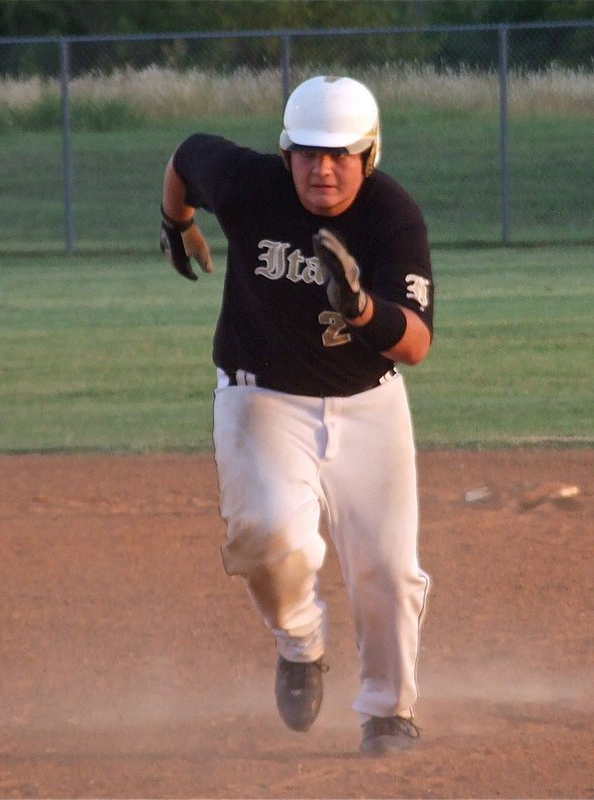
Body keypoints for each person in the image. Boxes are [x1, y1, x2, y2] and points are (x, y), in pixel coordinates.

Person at [159, 75, 434, 757]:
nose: (324, 167)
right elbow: (187, 156)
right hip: (262, 398)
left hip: (368, 404)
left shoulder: (391, 216)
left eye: (342, 154)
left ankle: (388, 713)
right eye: (308, 152)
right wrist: (177, 222)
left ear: (369, 155)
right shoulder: (251, 186)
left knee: (389, 570)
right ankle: (301, 640)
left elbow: (418, 343)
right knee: (268, 538)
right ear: (286, 154)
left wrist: (361, 309)